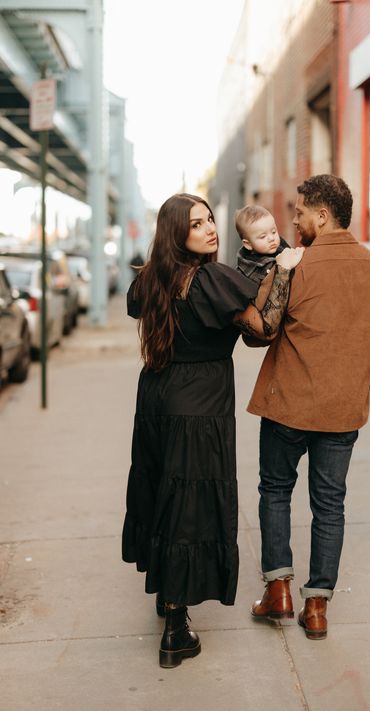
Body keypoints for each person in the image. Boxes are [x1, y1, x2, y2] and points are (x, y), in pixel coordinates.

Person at [122, 193, 303, 669]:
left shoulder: (153, 277)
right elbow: (262, 330)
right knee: (189, 503)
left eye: (209, 220)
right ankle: (176, 629)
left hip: (157, 395)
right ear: (176, 233)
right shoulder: (212, 279)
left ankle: (166, 595)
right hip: (199, 402)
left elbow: (138, 307)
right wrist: (282, 271)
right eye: (196, 224)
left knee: (164, 488)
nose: (209, 229)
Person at [247, 174, 370, 640]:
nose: (292, 220)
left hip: (287, 407)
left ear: (322, 214)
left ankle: (278, 591)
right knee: (329, 505)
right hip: (341, 412)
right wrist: (357, 382)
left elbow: (261, 329)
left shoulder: (295, 267)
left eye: (299, 212)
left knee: (275, 490)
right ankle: (316, 608)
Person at [235, 204, 290, 285]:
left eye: (274, 232)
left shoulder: (283, 249)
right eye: (263, 236)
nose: (271, 238)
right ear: (248, 244)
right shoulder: (249, 272)